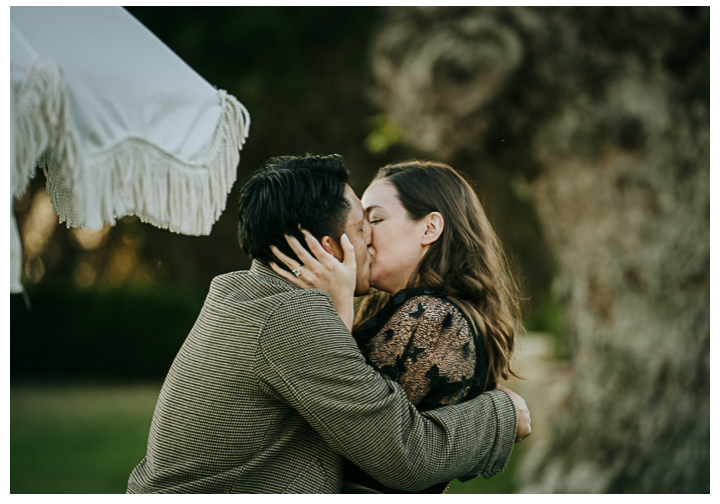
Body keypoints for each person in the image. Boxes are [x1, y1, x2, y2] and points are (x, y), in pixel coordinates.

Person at [127, 154, 530, 494]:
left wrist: (334, 320)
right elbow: (404, 455)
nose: (369, 240)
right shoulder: (291, 319)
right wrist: (503, 412)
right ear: (327, 246)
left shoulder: (242, 293)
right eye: (360, 228)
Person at [273, 158, 525, 494]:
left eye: (375, 219)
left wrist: (337, 311)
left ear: (429, 228)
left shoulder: (433, 317)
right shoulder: (405, 309)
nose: (362, 236)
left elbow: (362, 431)